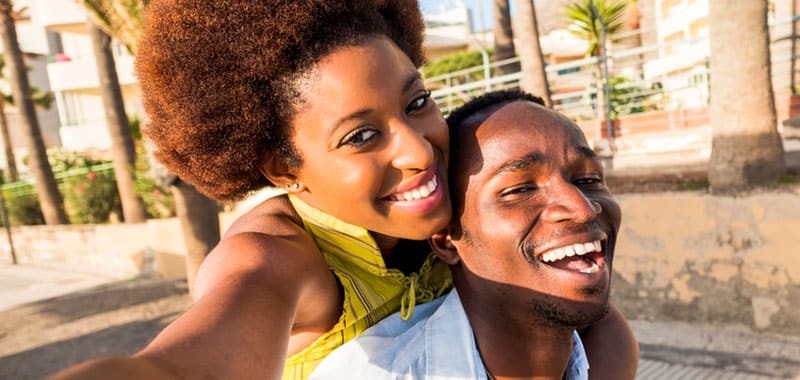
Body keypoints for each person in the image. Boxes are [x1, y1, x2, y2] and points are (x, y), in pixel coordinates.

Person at [51, 1, 637, 379]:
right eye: (360, 135)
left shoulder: (446, 198)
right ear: (283, 168)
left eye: (417, 103)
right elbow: (189, 364)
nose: (417, 150)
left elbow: (588, 317)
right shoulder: (277, 255)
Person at [309, 89, 622, 379]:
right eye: (520, 189)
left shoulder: (604, 355)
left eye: (588, 179)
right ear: (446, 238)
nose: (583, 209)